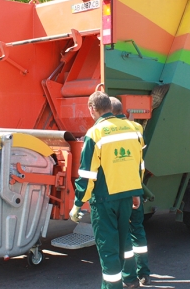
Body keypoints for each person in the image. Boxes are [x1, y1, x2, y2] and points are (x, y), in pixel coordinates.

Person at [70, 92, 144, 289]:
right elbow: (138, 165)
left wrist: (78, 203)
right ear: (110, 108)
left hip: (104, 200)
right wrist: (136, 192)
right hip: (127, 196)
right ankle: (130, 278)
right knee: (124, 241)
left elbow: (87, 174)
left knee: (108, 248)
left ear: (92, 109)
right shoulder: (133, 129)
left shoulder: (95, 133)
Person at [109, 97, 151, 286]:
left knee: (123, 235)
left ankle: (130, 278)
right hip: (136, 186)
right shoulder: (136, 129)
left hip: (120, 190)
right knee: (138, 231)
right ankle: (144, 273)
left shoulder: (108, 130)